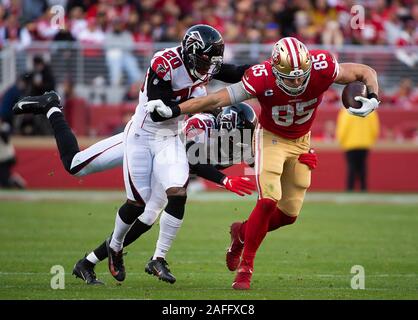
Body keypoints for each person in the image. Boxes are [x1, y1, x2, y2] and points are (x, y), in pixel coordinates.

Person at [13, 24, 254, 285]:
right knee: (79, 168)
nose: (210, 70)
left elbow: (236, 73)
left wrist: (268, 72)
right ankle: (52, 107)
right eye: (206, 62)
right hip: (140, 136)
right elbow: (157, 112)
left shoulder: (207, 69)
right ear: (192, 53)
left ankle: (103, 261)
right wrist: (222, 177)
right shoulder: (165, 64)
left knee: (162, 204)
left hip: (168, 140)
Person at [145, 36, 380, 290]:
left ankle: (241, 234)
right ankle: (246, 268)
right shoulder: (261, 77)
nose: (298, 82)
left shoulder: (322, 66)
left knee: (289, 215)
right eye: (291, 77)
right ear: (276, 70)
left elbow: (365, 72)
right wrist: (176, 109)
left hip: (302, 140)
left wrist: (374, 98)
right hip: (271, 138)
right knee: (269, 198)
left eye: (302, 75)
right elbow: (216, 99)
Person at [336, 108, 380, 192]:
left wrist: (341, 140)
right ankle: (363, 187)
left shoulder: (346, 111)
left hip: (350, 143)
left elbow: (343, 127)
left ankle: (350, 188)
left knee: (351, 166)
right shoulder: (370, 110)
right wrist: (372, 139)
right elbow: (375, 128)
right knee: (363, 166)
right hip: (365, 143)